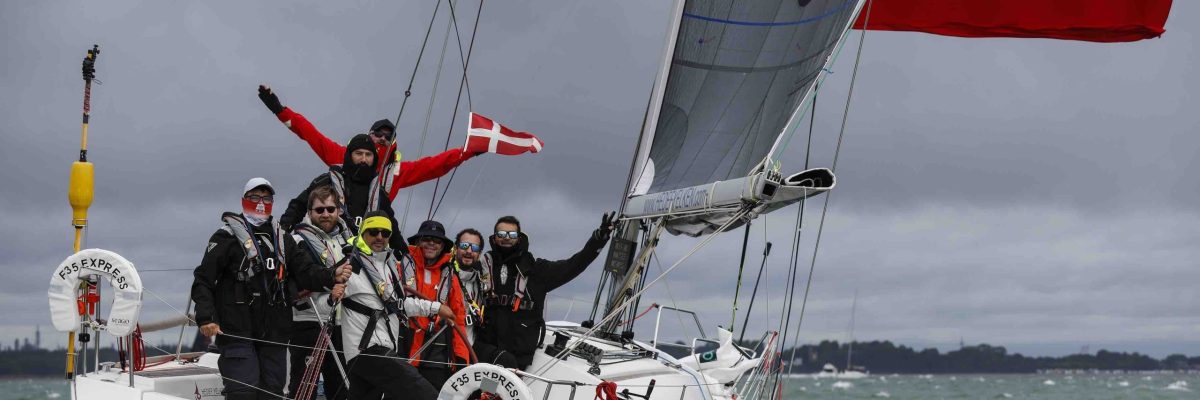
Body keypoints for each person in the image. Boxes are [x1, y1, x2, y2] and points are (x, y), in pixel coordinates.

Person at [191, 178, 351, 400]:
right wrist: (205, 317)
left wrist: (332, 274)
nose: (260, 202)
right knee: (243, 392)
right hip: (237, 331)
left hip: (274, 333)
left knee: (272, 393)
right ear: (244, 200)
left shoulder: (282, 239)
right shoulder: (226, 237)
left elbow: (306, 272)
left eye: (266, 198)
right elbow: (203, 279)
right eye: (255, 197)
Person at [257, 85, 480, 200]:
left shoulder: (398, 172)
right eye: (378, 134)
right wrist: (280, 110)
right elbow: (310, 133)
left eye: (388, 136)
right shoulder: (342, 155)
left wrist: (468, 151)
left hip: (374, 235)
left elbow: (436, 165)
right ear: (369, 135)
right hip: (337, 228)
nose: (382, 138)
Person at [333, 211, 456, 399]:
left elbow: (400, 304)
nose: (379, 237)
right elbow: (327, 291)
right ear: (363, 234)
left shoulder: (388, 266)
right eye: (373, 231)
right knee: (423, 392)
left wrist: (436, 308)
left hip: (381, 348)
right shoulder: (351, 265)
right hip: (367, 350)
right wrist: (331, 292)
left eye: (385, 233)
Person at [475, 213, 615, 368]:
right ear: (494, 238)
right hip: (485, 352)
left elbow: (575, 264)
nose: (506, 237)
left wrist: (598, 239)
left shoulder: (537, 271)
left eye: (511, 234)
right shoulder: (480, 268)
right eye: (501, 234)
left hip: (517, 357)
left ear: (519, 238)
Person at [279, 133, 405, 250]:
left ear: (374, 158)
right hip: (328, 246)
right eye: (359, 153)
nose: (363, 159)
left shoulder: (378, 192)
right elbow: (299, 205)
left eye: (368, 154)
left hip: (364, 253)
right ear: (350, 155)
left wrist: (403, 252)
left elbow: (391, 223)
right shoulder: (328, 180)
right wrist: (282, 232)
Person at [286, 186, 352, 400]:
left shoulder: (350, 240)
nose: (325, 214)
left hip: (344, 324)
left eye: (330, 209)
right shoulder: (297, 240)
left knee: (341, 390)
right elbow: (302, 276)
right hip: (309, 322)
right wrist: (332, 277)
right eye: (319, 210)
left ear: (339, 211)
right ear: (310, 212)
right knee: (304, 390)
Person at [402, 220, 470, 388]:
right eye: (426, 239)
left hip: (436, 351)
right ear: (418, 242)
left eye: (437, 240)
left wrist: (462, 356)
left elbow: (458, 318)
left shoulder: (450, 277)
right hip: (404, 343)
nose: (431, 243)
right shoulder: (400, 266)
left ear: (443, 246)